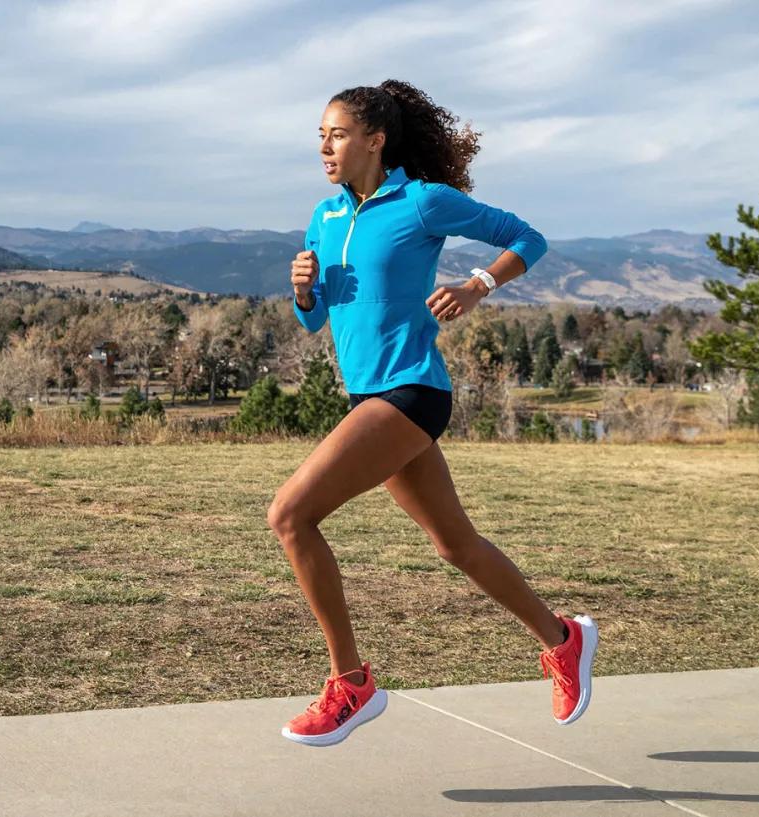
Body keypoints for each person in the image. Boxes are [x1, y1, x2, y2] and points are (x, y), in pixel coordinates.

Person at [272, 80, 598, 747]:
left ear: (374, 138)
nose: (325, 147)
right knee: (456, 543)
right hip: (370, 396)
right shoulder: (324, 217)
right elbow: (316, 322)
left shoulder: (421, 202)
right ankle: (563, 638)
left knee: (290, 514)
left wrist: (478, 285)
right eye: (320, 136)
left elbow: (527, 238)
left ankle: (350, 683)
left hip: (412, 391)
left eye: (336, 134)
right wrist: (302, 291)